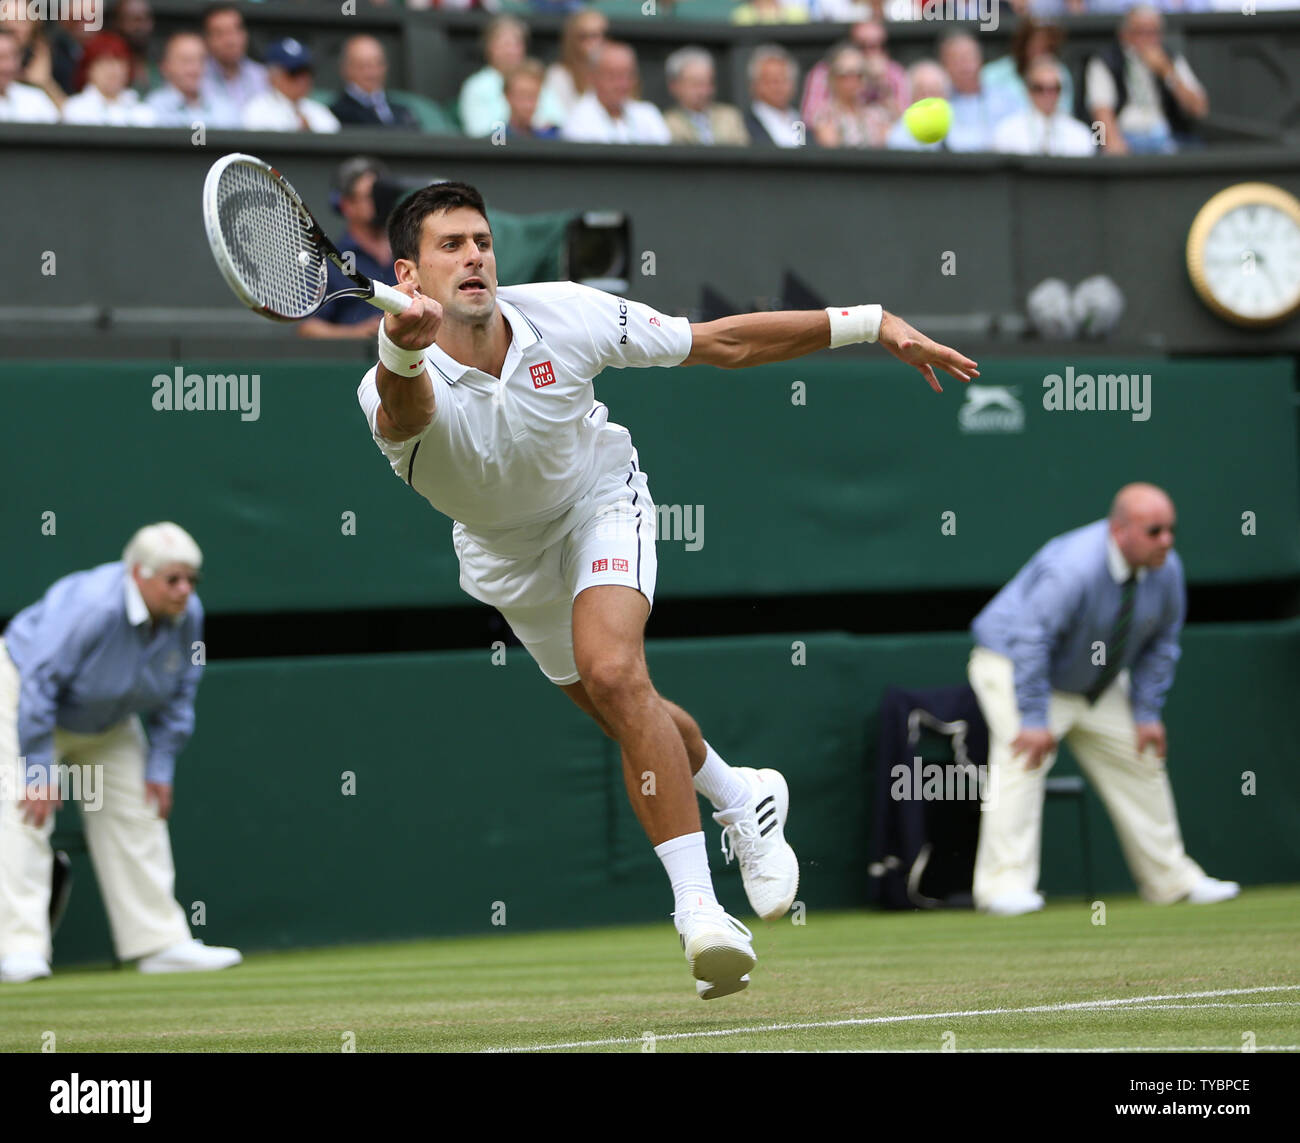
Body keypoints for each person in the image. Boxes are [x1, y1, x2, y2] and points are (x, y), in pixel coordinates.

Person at [355, 182, 977, 998]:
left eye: (482, 240)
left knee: (614, 672)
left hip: (598, 504)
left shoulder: (567, 313)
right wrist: (401, 347)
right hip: (507, 561)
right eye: (450, 245)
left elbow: (719, 343)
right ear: (408, 274)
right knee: (621, 705)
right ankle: (737, 789)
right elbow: (405, 415)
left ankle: (700, 914)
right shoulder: (387, 380)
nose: (475, 256)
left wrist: (869, 321)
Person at [968, 484, 1240, 916]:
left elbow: (1161, 644)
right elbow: (1029, 640)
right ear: (1120, 531)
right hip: (1013, 664)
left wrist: (1147, 712)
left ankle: (1172, 882)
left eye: (1171, 530)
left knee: (1142, 756)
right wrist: (1035, 718)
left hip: (1092, 682)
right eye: (1155, 531)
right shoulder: (1073, 567)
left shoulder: (1166, 569)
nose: (1166, 541)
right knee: (1023, 757)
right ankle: (1002, 887)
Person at [0, 524, 243, 983]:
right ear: (138, 574)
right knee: (24, 813)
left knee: (138, 812)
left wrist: (161, 764)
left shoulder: (188, 614)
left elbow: (181, 692)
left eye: (192, 580)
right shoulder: (92, 606)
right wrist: (37, 768)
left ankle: (159, 944)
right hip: (20, 699)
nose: (185, 590)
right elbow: (39, 682)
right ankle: (18, 951)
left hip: (107, 721)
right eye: (173, 580)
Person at [1082, 4, 1208, 155]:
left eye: (1154, 32)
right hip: (1125, 135)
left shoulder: (1169, 60)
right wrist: (1110, 143)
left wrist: (1168, 74)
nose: (1149, 39)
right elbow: (1100, 112)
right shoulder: (1105, 61)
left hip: (1165, 138)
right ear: (1125, 34)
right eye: (1141, 32)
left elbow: (1199, 109)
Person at [299, 157, 397, 340]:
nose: (380, 203)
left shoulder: (410, 252)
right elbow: (308, 328)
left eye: (382, 195)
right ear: (347, 205)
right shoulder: (328, 263)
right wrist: (357, 333)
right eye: (370, 196)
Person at [459, 15, 564, 139]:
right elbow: (481, 134)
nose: (510, 51)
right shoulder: (476, 86)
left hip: (538, 149)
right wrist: (513, 128)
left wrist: (534, 128)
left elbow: (557, 122)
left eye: (516, 44)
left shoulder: (537, 79)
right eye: (504, 44)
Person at [801, 18, 906, 129]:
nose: (871, 53)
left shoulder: (894, 73)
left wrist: (881, 85)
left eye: (877, 46)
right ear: (850, 45)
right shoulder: (824, 71)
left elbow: (903, 125)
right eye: (863, 46)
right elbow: (809, 119)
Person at [560, 41, 670, 145]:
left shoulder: (648, 114)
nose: (622, 84)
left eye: (629, 75)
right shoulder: (577, 121)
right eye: (613, 76)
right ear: (592, 77)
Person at [992, 55, 1094, 156]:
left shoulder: (1080, 134)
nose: (1048, 95)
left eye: (1054, 88)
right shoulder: (1007, 132)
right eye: (1039, 88)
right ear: (1028, 90)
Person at [936, 31, 1021, 152]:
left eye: (970, 58)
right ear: (944, 66)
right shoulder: (938, 101)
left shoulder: (1005, 98)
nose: (965, 67)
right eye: (957, 60)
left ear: (980, 60)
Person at [980, 16, 1074, 117]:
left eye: (1045, 47)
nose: (1039, 53)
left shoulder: (1060, 75)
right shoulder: (993, 74)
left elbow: (1064, 115)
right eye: (1034, 46)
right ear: (1023, 45)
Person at [242, 38, 340, 134]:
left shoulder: (319, 111)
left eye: (306, 72)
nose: (303, 79)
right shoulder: (258, 110)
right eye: (294, 73)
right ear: (273, 76)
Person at [145, 30, 238, 128]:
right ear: (165, 67)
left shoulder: (225, 107)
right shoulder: (152, 110)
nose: (194, 69)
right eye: (186, 61)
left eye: (200, 60)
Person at [62, 32, 156, 125]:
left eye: (120, 63)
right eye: (105, 63)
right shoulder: (74, 109)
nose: (114, 70)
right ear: (88, 70)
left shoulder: (144, 111)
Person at [662, 46, 748, 146]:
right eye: (696, 84)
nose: (704, 91)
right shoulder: (665, 123)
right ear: (674, 86)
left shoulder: (730, 117)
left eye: (708, 83)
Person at [812, 43, 891, 148]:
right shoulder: (825, 115)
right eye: (845, 75)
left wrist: (880, 84)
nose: (853, 81)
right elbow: (831, 151)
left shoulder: (877, 114)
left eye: (859, 75)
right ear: (833, 78)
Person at [330, 34, 416, 129]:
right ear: (346, 69)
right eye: (363, 65)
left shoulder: (402, 110)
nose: (373, 72)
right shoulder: (335, 114)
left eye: (378, 64)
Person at [540, 6, 607, 126]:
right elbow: (560, 120)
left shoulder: (613, 75)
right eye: (584, 37)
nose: (592, 43)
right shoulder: (558, 75)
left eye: (597, 35)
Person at [199, 2, 268, 118]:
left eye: (236, 30)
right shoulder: (197, 77)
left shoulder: (263, 76)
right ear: (206, 39)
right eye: (220, 33)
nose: (230, 40)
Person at [743, 44, 809, 148]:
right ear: (754, 84)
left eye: (784, 79)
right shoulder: (743, 125)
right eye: (770, 80)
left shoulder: (799, 121)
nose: (778, 86)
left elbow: (805, 152)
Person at [0, 27, 59, 122]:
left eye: (14, 57)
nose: (9, 66)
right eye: (2, 57)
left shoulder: (35, 98)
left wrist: (46, 83)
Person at [885, 58, 946, 151]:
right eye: (921, 92)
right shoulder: (898, 136)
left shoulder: (959, 129)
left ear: (945, 96)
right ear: (911, 97)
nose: (927, 99)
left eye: (933, 92)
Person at [503, 59, 560, 139]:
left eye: (533, 96)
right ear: (507, 96)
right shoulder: (497, 139)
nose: (527, 105)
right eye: (521, 96)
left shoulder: (550, 136)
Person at [109, 0, 154, 94]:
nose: (140, 27)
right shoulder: (107, 69)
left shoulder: (159, 69)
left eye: (145, 19)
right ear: (117, 23)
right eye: (133, 19)